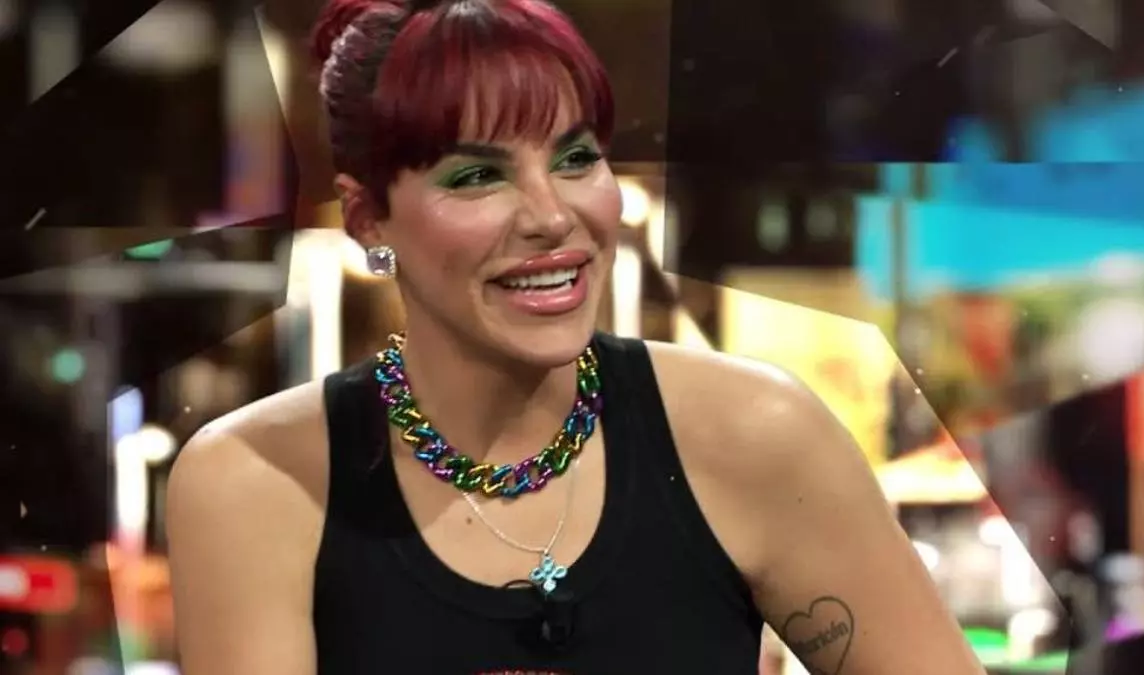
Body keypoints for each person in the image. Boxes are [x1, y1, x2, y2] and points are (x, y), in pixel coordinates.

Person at [165, 0, 986, 673]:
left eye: (576, 158)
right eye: (478, 175)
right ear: (367, 217)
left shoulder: (758, 434)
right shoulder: (254, 482)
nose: (552, 216)